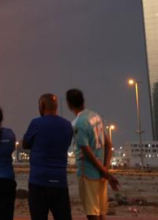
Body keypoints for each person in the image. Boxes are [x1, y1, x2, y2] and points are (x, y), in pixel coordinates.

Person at [66, 89, 120, 220]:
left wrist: (105, 172)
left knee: (92, 213)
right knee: (101, 213)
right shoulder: (96, 116)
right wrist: (105, 170)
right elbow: (109, 144)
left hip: (88, 173)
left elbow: (86, 150)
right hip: (101, 174)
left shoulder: (79, 123)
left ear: (69, 104)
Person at [22, 94, 74, 220]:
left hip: (38, 181)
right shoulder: (67, 125)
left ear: (42, 106)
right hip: (60, 181)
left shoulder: (36, 123)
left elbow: (25, 144)